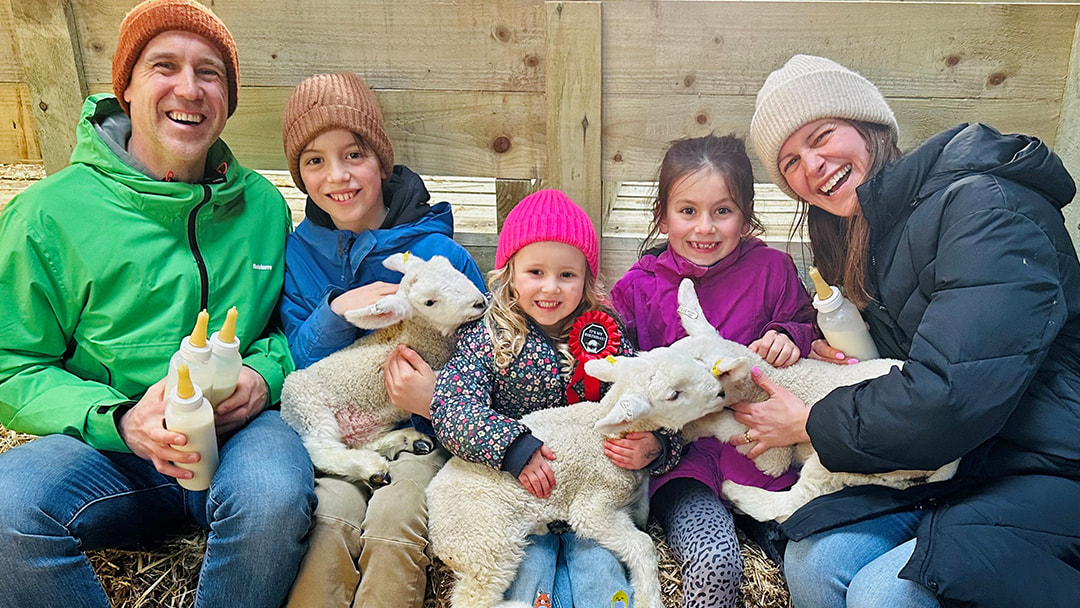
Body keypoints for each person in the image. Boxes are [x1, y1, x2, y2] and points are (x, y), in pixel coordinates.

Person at [0, 1, 316, 606]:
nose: (189, 89)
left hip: (240, 435)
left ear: (228, 97)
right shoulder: (47, 215)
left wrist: (262, 374)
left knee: (276, 497)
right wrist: (118, 419)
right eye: (163, 66)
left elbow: (283, 324)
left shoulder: (263, 207)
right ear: (126, 88)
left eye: (210, 72)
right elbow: (11, 364)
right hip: (109, 450)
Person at [736, 54, 1079, 607]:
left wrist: (811, 421)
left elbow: (954, 396)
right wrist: (846, 354)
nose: (813, 165)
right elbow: (911, 366)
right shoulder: (874, 239)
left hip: (1046, 464)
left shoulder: (984, 207)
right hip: (961, 465)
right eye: (791, 161)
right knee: (812, 562)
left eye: (822, 136)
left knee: (883, 595)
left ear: (868, 126)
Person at [277, 72, 485, 608]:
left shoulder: (437, 253)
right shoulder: (302, 253)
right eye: (314, 161)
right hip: (339, 435)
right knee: (326, 525)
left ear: (381, 160)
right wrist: (338, 311)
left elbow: (485, 354)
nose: (337, 176)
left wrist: (434, 399)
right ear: (300, 174)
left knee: (395, 524)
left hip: (422, 431)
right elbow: (294, 360)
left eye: (353, 154)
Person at [431, 189, 683, 608]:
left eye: (567, 275)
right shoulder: (487, 337)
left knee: (602, 578)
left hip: (592, 497)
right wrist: (512, 447)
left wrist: (658, 447)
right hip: (520, 497)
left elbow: (649, 402)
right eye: (535, 272)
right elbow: (453, 405)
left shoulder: (605, 334)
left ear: (586, 277)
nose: (551, 288)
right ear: (509, 272)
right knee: (525, 578)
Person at [610, 134, 816, 608]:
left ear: (745, 215)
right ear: (663, 215)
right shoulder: (639, 287)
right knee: (714, 560)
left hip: (767, 456)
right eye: (688, 211)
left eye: (722, 211)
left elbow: (804, 323)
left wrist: (788, 335)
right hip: (684, 464)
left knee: (799, 556)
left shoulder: (772, 269)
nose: (705, 227)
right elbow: (621, 370)